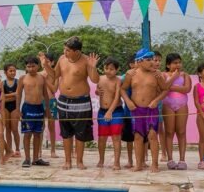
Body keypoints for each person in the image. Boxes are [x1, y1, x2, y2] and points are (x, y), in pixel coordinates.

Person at [40, 36, 99, 170]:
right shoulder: (62, 59)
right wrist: (45, 65)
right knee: (66, 132)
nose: (64, 52)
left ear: (76, 51)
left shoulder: (86, 61)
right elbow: (54, 75)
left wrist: (93, 67)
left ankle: (79, 161)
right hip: (64, 100)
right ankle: (67, 161)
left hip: (81, 102)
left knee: (80, 133)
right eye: (64, 49)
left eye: (67, 50)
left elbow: (95, 80)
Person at [121, 49, 170, 172]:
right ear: (139, 61)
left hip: (151, 109)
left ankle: (155, 164)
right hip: (136, 110)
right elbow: (122, 89)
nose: (152, 62)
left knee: (152, 135)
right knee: (138, 137)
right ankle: (138, 164)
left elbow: (165, 90)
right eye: (148, 60)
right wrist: (128, 101)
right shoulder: (131, 74)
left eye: (152, 59)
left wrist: (156, 101)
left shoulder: (156, 74)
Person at [17, 55, 49, 167]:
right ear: (26, 67)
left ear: (38, 66)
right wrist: (17, 109)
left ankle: (36, 158)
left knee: (38, 134)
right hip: (27, 108)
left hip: (39, 108)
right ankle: (27, 158)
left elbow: (45, 94)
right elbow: (18, 94)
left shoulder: (42, 78)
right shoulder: (23, 78)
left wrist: (47, 109)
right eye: (28, 66)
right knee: (27, 134)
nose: (31, 69)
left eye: (33, 66)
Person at [161, 53, 190, 170]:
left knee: (181, 132)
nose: (178, 65)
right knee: (169, 132)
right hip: (168, 105)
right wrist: (173, 78)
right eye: (175, 63)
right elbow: (163, 86)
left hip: (182, 105)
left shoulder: (185, 75)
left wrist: (170, 87)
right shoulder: (163, 75)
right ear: (168, 65)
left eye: (179, 62)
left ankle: (182, 159)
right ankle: (170, 159)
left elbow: (186, 89)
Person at [96, 58, 124, 169]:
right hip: (102, 111)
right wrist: (97, 92)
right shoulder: (100, 79)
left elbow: (117, 97)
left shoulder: (118, 81)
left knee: (116, 137)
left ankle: (116, 162)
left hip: (116, 111)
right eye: (106, 68)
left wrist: (110, 111)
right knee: (102, 137)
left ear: (117, 70)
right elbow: (98, 91)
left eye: (111, 69)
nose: (108, 71)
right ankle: (101, 160)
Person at [2, 63, 21, 157]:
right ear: (5, 72)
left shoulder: (18, 82)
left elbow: (18, 96)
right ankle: (9, 150)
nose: (13, 72)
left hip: (14, 107)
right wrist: (13, 95)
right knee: (8, 129)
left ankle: (17, 149)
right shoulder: (3, 83)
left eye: (14, 71)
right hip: (5, 107)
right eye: (10, 71)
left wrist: (17, 109)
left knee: (14, 129)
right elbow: (2, 97)